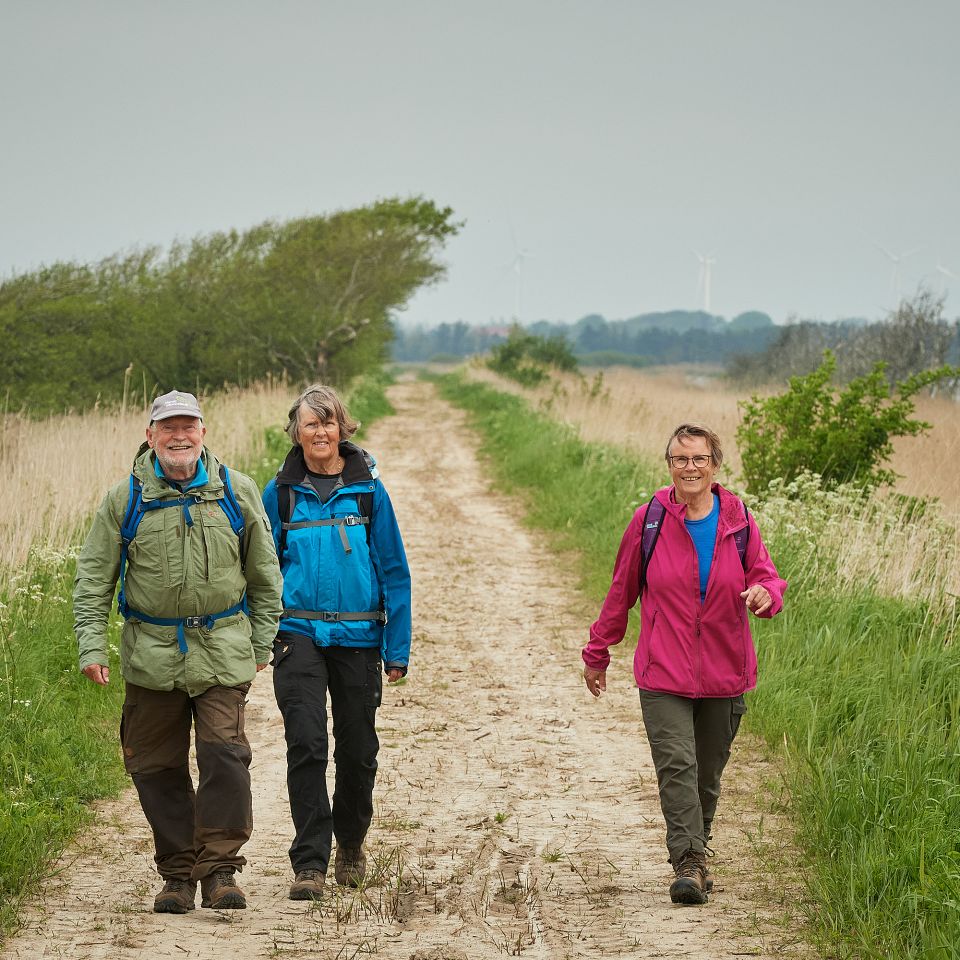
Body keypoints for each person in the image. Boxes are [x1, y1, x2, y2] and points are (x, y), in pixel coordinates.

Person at [74, 390, 283, 914]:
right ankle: (177, 873)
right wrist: (91, 644)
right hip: (151, 655)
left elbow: (265, 573)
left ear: (203, 433)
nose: (179, 435)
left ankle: (219, 871)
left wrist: (260, 642)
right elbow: (94, 578)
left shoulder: (237, 492)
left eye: (188, 425)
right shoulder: (125, 499)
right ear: (150, 436)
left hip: (222, 651)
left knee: (225, 757)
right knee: (155, 766)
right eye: (168, 427)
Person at [582, 423, 786, 905]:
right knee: (677, 765)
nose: (688, 468)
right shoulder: (648, 520)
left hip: (724, 671)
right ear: (669, 464)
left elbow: (768, 578)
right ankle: (689, 865)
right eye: (679, 459)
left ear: (714, 465)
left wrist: (765, 595)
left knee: (705, 775)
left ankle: (698, 851)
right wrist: (598, 649)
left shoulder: (738, 520)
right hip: (664, 671)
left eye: (698, 459)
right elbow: (621, 591)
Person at [262, 384, 411, 901]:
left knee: (357, 750)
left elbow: (395, 571)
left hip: (359, 637)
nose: (320, 432)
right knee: (306, 744)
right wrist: (261, 636)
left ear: (342, 429)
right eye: (310, 424)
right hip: (298, 634)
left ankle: (350, 842)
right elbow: (261, 570)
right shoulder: (278, 493)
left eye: (328, 423)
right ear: (296, 432)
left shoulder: (369, 491)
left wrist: (397, 646)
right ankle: (310, 862)